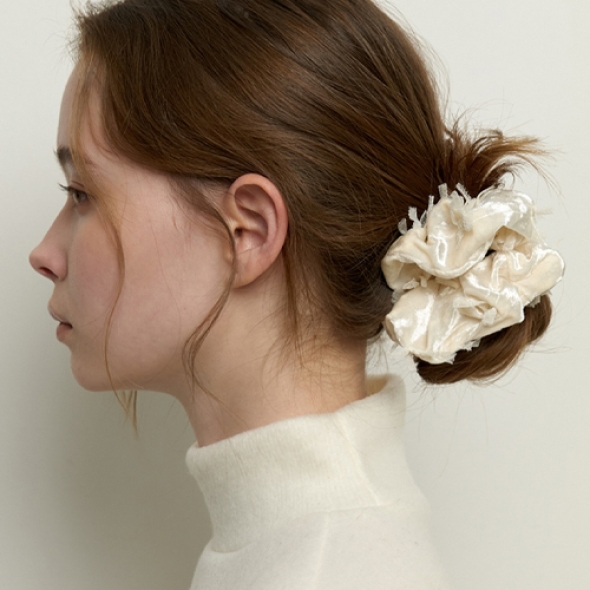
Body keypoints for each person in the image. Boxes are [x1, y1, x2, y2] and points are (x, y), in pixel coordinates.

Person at [28, 0, 564, 588]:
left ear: (247, 232)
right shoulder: (303, 547)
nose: (44, 254)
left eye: (81, 194)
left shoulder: (324, 569)